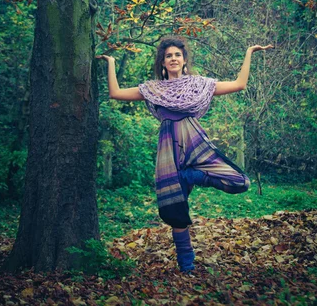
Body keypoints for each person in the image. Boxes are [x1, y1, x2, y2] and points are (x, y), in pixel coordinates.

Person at [97, 36, 274, 273]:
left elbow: (239, 84)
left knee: (240, 182)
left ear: (184, 60)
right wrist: (111, 62)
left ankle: (191, 176)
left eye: (177, 55)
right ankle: (186, 266)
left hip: (194, 143)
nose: (173, 59)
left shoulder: (199, 85)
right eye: (168, 55)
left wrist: (249, 52)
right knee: (174, 209)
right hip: (168, 151)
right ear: (163, 62)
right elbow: (116, 92)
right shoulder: (153, 89)